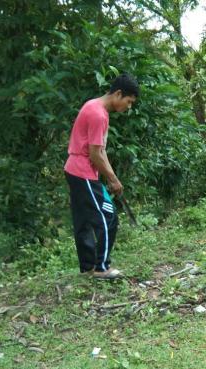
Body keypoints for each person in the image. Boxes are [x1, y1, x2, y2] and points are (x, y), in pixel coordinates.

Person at [64, 73, 139, 279]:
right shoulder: (98, 114)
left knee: (84, 220)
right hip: (83, 172)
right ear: (118, 93)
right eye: (129, 101)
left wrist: (111, 176)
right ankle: (101, 267)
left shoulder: (93, 106)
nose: (128, 107)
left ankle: (88, 267)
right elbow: (95, 154)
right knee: (109, 216)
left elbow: (99, 150)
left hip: (75, 169)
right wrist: (113, 179)